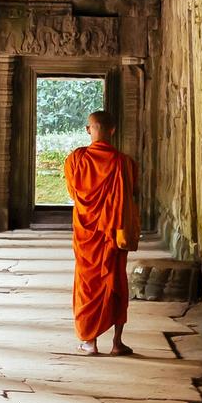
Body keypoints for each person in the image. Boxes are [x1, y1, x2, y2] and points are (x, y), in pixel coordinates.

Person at [63, 110, 139, 355]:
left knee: (88, 285)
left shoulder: (76, 160)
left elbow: (74, 193)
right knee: (116, 283)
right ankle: (117, 343)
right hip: (112, 235)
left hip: (87, 236)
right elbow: (131, 194)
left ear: (88, 130)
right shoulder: (123, 163)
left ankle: (90, 342)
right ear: (113, 130)